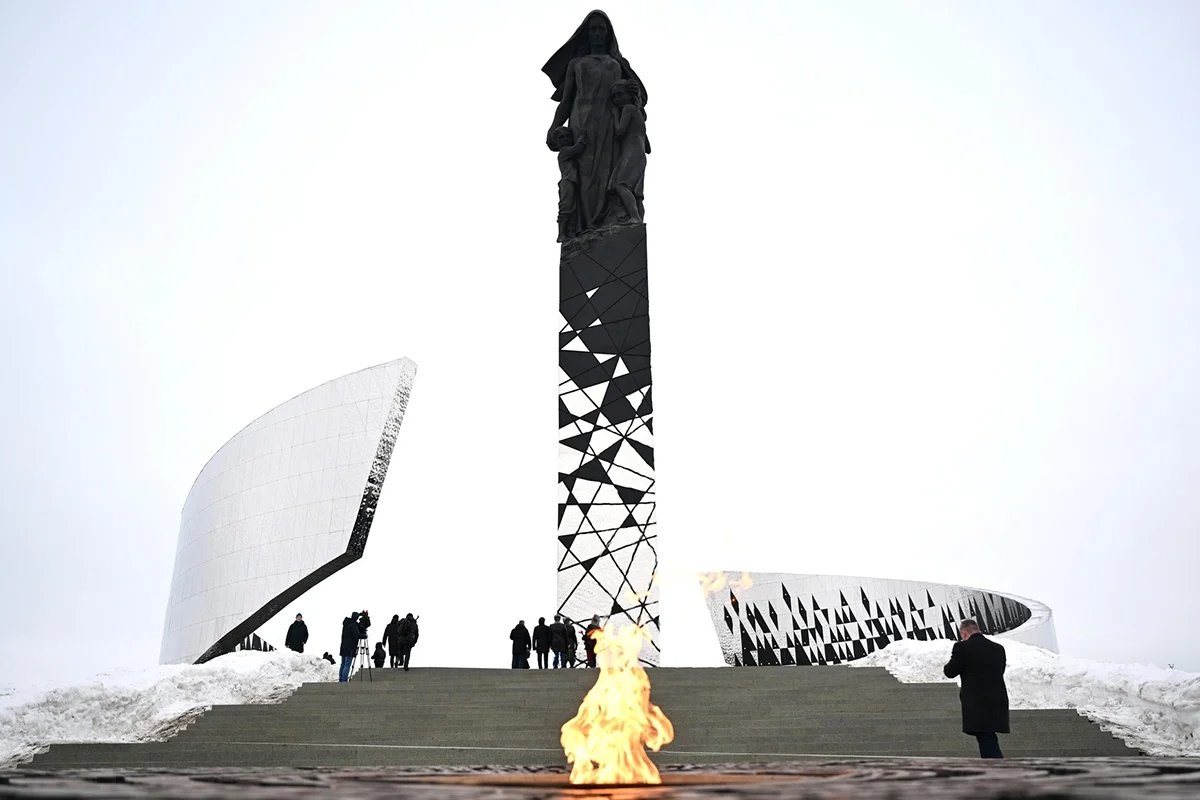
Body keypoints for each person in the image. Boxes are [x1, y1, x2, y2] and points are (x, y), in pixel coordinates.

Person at [543, 10, 648, 234]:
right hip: (581, 122)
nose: (597, 34)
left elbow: (636, 97)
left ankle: (604, 221)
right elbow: (566, 100)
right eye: (593, 29)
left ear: (608, 33)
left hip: (610, 124)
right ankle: (584, 227)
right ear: (587, 34)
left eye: (601, 29)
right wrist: (554, 126)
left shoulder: (618, 64)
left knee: (605, 175)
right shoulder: (576, 64)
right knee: (584, 176)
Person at [943, 619, 1010, 758]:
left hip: (977, 701)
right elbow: (1000, 671)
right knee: (988, 736)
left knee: (986, 737)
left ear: (964, 633)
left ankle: (997, 769)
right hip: (997, 699)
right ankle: (995, 767)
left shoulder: (962, 647)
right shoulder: (998, 649)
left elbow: (950, 672)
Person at [609, 79, 647, 223]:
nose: (616, 100)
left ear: (629, 95)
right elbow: (648, 147)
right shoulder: (639, 114)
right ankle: (638, 219)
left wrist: (614, 114)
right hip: (640, 154)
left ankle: (635, 217)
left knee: (621, 184)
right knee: (637, 194)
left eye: (619, 95)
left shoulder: (628, 109)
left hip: (631, 152)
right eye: (614, 97)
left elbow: (619, 131)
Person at [548, 128, 588, 242]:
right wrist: (583, 136)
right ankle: (561, 234)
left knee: (573, 207)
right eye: (561, 138)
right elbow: (577, 148)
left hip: (573, 182)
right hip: (568, 182)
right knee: (566, 207)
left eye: (567, 136)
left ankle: (570, 232)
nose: (565, 139)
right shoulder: (564, 151)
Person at [338, 612, 361, 682]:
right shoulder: (353, 625)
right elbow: (357, 635)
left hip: (343, 647)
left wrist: (360, 614)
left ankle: (341, 678)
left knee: (343, 663)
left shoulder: (346, 624)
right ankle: (344, 680)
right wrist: (363, 635)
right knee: (347, 664)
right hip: (350, 648)